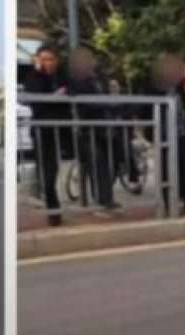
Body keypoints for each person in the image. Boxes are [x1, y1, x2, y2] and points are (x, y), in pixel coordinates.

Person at [150, 53, 185, 217]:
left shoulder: (179, 85)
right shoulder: (154, 87)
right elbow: (147, 108)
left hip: (181, 132)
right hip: (164, 134)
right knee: (166, 170)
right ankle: (167, 204)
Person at [23, 45, 69, 226]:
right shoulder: (34, 77)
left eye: (49, 59)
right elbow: (35, 100)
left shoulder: (64, 76)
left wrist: (56, 97)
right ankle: (53, 210)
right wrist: (53, 96)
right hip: (44, 131)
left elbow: (73, 90)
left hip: (65, 129)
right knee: (48, 175)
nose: (46, 63)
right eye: (42, 59)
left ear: (57, 60)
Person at [67, 46, 116, 210]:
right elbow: (82, 103)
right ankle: (103, 199)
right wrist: (103, 104)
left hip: (105, 126)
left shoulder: (101, 77)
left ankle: (105, 196)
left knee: (111, 162)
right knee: (97, 162)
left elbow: (109, 97)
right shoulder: (76, 79)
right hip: (88, 129)